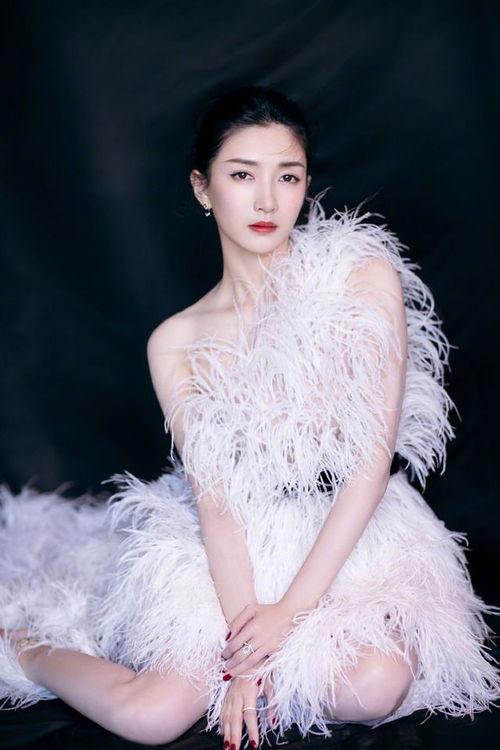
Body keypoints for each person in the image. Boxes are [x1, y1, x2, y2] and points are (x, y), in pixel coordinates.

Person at [1, 84, 499, 748]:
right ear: (203, 188)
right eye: (242, 175)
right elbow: (218, 508)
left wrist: (287, 614)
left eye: (287, 176)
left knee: (375, 685)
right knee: (151, 717)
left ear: (305, 185)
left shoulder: (359, 276)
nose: (267, 200)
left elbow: (370, 465)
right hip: (238, 546)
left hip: (354, 535)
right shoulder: (175, 342)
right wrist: (245, 655)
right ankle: (25, 644)